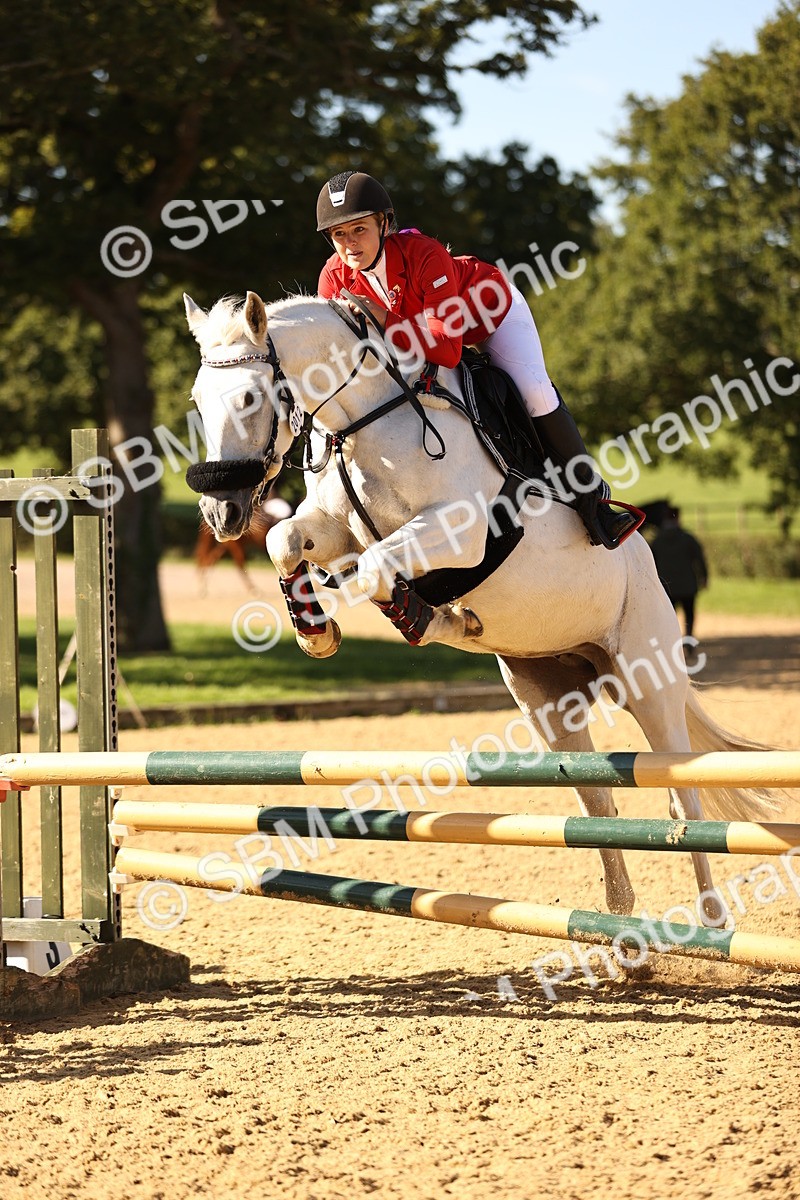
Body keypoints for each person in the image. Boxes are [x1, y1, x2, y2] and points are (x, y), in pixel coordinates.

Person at [315, 170, 639, 550]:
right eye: (340, 235)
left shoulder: (424, 255)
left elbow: (449, 350)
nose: (350, 244)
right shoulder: (333, 278)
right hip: (427, 339)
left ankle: (594, 502)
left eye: (359, 230)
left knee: (533, 390)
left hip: (492, 315)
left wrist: (386, 320)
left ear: (384, 224)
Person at [650, 507, 709, 641]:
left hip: (667, 586)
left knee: (669, 617)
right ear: (677, 518)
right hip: (688, 585)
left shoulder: (657, 541)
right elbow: (700, 559)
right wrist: (704, 577)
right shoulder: (688, 538)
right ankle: (688, 639)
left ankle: (671, 641)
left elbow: (650, 563)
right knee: (689, 614)